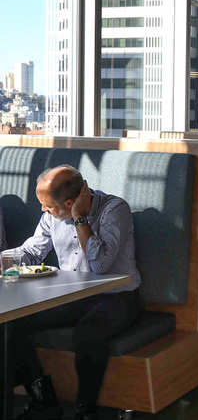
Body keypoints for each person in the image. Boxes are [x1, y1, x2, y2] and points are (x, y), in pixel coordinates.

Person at [4, 165, 142, 420]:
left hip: (118, 297)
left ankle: (85, 411)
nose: (43, 210)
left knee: (88, 334)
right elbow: (32, 251)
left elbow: (100, 265)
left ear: (70, 203)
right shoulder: (51, 215)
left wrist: (80, 219)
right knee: (13, 324)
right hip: (73, 298)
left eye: (48, 206)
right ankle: (43, 400)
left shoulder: (114, 210)